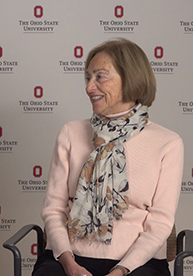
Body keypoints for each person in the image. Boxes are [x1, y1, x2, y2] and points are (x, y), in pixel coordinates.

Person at [32, 38, 184, 276]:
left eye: (100, 77)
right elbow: (54, 210)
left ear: (130, 78)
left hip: (137, 263)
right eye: (88, 78)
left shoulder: (167, 142)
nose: (89, 87)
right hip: (70, 258)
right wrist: (69, 263)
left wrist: (122, 270)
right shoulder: (71, 133)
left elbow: (161, 222)